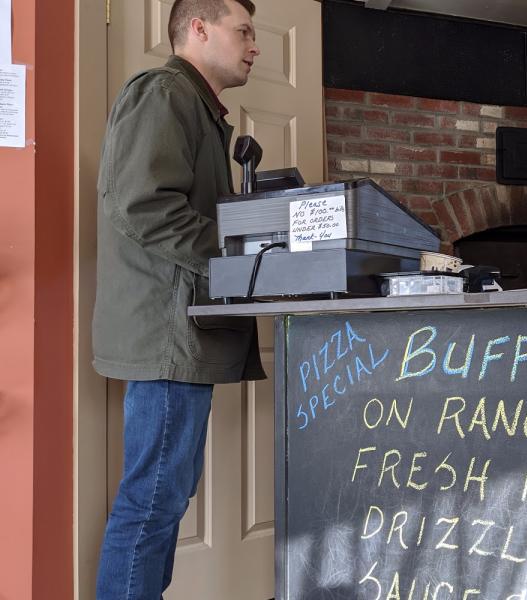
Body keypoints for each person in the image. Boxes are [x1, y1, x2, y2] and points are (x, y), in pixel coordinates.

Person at [92, 0, 263, 597]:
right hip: (170, 333)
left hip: (179, 330)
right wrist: (237, 263)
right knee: (151, 506)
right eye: (243, 30)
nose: (254, 45)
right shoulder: (164, 94)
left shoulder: (197, 106)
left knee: (161, 504)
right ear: (198, 28)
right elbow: (141, 204)